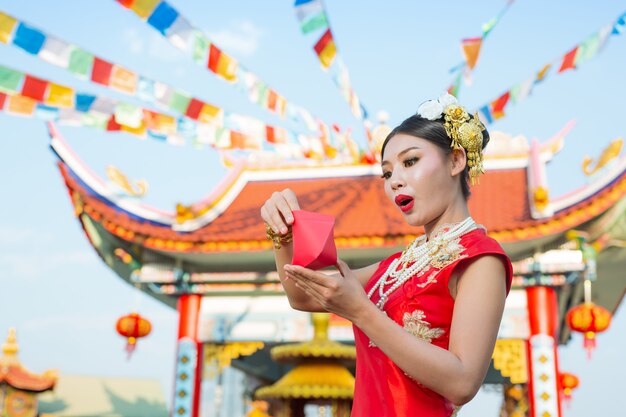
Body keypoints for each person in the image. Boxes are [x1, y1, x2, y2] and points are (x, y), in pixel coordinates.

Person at [260, 93, 513, 417]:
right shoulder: (399, 266)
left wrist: (362, 311)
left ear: (456, 160)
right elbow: (303, 296)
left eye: (410, 162)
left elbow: (462, 383)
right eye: (387, 173)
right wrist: (282, 231)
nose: (395, 182)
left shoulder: (480, 259)